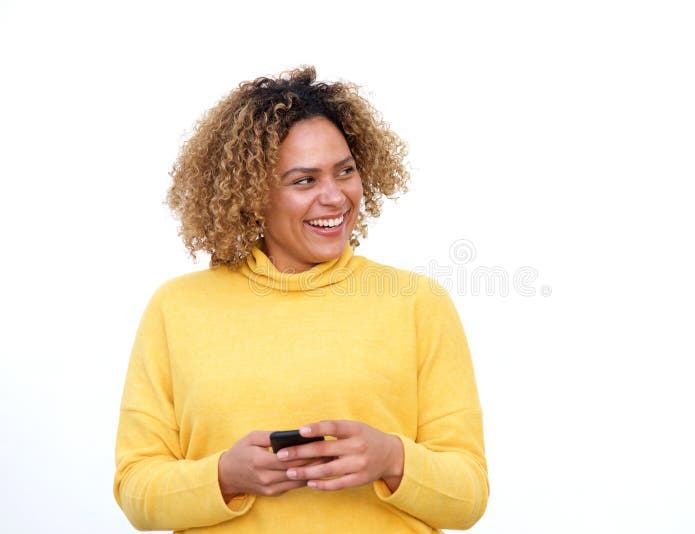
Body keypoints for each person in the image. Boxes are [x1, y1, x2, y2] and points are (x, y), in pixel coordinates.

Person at [113, 66, 488, 533]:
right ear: (252, 195)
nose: (335, 197)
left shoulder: (416, 303)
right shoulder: (177, 308)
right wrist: (225, 477)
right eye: (304, 180)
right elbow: (135, 490)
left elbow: (468, 496)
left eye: (345, 171)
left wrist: (392, 459)